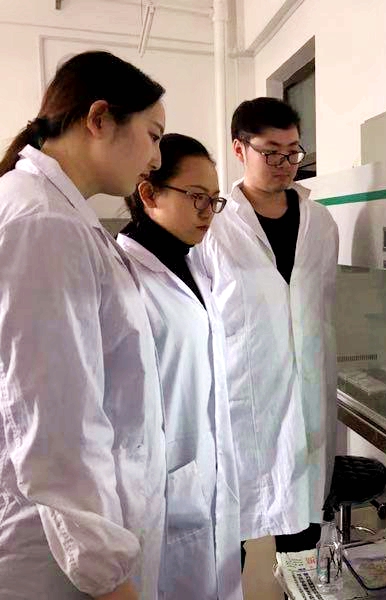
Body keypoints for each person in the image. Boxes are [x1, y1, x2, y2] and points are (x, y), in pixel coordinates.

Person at [0, 51, 167, 600]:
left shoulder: (54, 212)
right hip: (56, 557)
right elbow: (56, 427)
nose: (156, 157)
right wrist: (108, 577)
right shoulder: (44, 223)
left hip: (68, 542)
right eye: (152, 135)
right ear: (99, 119)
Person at [191, 98, 338, 566]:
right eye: (271, 152)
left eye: (293, 152)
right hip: (241, 401)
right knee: (227, 541)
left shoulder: (321, 223)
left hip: (307, 396)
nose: (285, 163)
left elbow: (322, 307)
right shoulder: (213, 225)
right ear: (240, 149)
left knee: (302, 533)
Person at [118, 133, 242, 599]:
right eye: (196, 197)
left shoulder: (192, 265)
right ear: (149, 193)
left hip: (204, 476)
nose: (208, 212)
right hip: (160, 487)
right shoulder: (123, 278)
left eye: (215, 200)